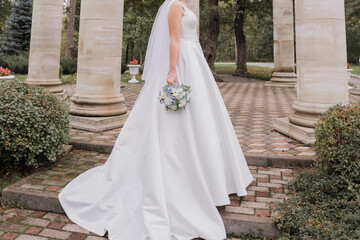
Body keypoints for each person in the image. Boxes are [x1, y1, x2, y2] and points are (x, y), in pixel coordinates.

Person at [58, 0, 253, 239]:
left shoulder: (184, 5)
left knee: (204, 122)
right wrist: (172, 71)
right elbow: (173, 38)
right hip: (181, 63)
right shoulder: (173, 6)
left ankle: (213, 179)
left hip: (194, 62)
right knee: (177, 125)